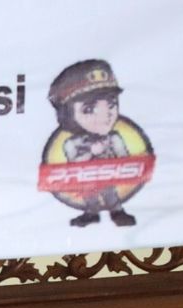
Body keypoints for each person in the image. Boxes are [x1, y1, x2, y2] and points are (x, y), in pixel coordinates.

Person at [49, 60, 138, 228]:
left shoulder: (114, 138)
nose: (106, 115)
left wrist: (112, 156)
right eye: (89, 109)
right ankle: (91, 213)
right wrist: (91, 152)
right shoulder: (72, 143)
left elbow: (126, 160)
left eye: (111, 104)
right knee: (89, 194)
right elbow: (73, 166)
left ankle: (117, 212)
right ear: (67, 114)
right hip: (87, 182)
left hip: (109, 179)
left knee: (110, 194)